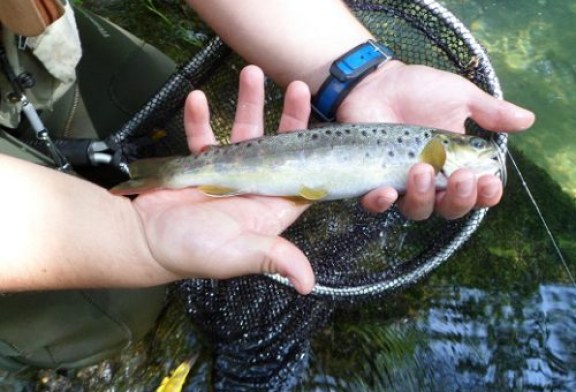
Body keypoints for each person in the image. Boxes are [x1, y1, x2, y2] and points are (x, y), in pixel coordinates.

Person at [0, 0, 534, 371]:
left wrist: (360, 73)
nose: (486, 156)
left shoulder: (432, 151)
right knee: (113, 311)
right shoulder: (435, 151)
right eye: (479, 151)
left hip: (20, 32)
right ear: (447, 152)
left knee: (148, 88)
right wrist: (131, 240)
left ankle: (120, 171)